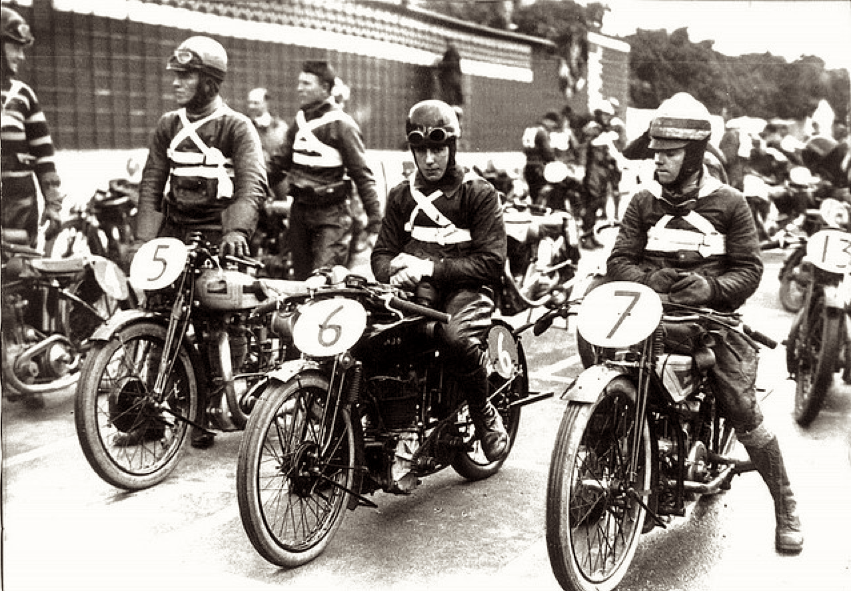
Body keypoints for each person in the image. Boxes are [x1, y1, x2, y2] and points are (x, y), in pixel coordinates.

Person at [604, 92, 803, 553]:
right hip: (646, 313)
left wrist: (711, 289)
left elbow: (750, 270)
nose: (659, 162)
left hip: (712, 320)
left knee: (738, 403)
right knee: (603, 364)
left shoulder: (730, 203)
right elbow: (618, 261)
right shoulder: (641, 201)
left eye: (670, 154)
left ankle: (786, 502)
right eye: (656, 153)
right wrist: (656, 280)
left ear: (693, 155)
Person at [130, 35, 267, 448]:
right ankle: (153, 415)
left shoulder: (237, 126)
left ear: (209, 80)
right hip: (174, 231)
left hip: (218, 235)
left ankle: (215, 403)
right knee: (159, 316)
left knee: (222, 319)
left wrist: (236, 231)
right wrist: (143, 240)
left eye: (186, 75)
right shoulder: (167, 125)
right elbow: (152, 183)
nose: (176, 83)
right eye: (176, 75)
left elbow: (252, 184)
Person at [371, 99, 509, 462]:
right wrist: (393, 273)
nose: (430, 160)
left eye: (437, 149)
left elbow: (491, 264)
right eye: (421, 150)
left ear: (452, 147)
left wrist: (427, 268)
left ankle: (484, 413)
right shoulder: (401, 195)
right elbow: (381, 253)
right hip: (417, 291)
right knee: (375, 334)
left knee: (455, 338)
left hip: (468, 289)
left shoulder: (478, 193)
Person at [268, 60, 382, 280]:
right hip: (300, 213)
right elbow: (278, 165)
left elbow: (363, 176)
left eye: (306, 83)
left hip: (330, 216)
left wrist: (376, 222)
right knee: (301, 282)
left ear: (325, 88)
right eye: (299, 83)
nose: (299, 88)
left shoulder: (342, 125)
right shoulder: (299, 122)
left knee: (324, 280)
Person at [1, 6, 63, 247]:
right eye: (15, 47)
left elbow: (44, 157)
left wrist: (53, 204)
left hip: (20, 217)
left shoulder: (23, 95)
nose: (21, 56)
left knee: (22, 279)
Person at [582, 99, 625, 246]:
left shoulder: (605, 130)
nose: (606, 119)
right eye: (604, 115)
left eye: (608, 116)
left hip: (602, 171)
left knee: (598, 203)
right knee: (591, 205)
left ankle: (591, 235)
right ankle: (586, 236)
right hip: (593, 171)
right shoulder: (593, 129)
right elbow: (585, 150)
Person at [521, 111, 560, 205]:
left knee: (533, 194)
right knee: (542, 193)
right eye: (553, 125)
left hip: (528, 166)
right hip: (539, 167)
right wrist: (555, 162)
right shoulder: (542, 132)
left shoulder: (530, 130)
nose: (552, 128)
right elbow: (548, 152)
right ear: (550, 121)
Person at [246, 87, 287, 169]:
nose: (251, 106)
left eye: (256, 103)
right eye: (249, 103)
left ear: (266, 103)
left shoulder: (280, 127)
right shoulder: (244, 126)